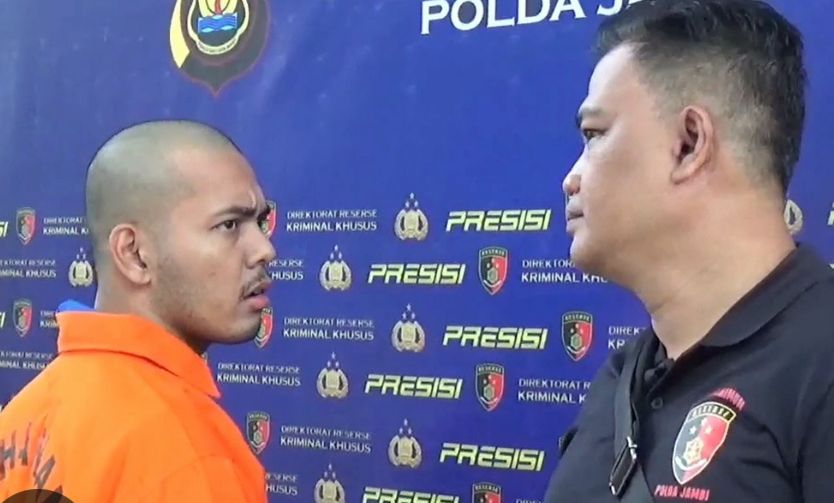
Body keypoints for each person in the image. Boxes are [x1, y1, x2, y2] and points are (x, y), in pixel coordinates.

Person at [545, 0, 834, 502]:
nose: (570, 178)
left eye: (594, 135)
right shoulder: (620, 381)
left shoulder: (820, 367)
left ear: (689, 143)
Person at [0, 120, 276, 502]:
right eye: (229, 224)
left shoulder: (22, 418)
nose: (265, 249)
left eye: (260, 222)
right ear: (134, 254)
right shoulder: (189, 455)